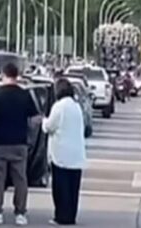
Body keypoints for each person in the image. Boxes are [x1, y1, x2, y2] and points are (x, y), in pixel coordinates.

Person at [0, 62, 40, 226]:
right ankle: (20, 214)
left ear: (3, 74)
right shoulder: (24, 95)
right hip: (20, 143)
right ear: (17, 75)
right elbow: (36, 118)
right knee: (20, 179)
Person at [42, 78, 87, 225]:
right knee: (73, 189)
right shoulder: (76, 106)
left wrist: (43, 121)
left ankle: (61, 216)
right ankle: (71, 216)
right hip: (76, 154)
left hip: (61, 154)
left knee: (61, 188)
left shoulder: (59, 106)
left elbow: (49, 126)